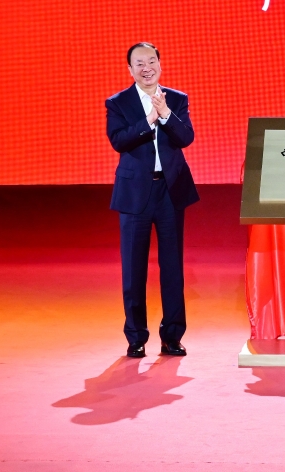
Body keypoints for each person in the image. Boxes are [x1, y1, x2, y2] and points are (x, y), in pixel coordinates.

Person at [106, 42, 199, 358]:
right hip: (135, 194)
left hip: (169, 192)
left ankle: (172, 336)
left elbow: (185, 137)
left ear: (160, 64)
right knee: (134, 269)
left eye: (151, 61)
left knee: (172, 267)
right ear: (130, 69)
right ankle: (136, 337)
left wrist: (166, 114)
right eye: (139, 64)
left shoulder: (177, 99)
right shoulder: (118, 103)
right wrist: (148, 120)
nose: (147, 68)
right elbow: (118, 141)